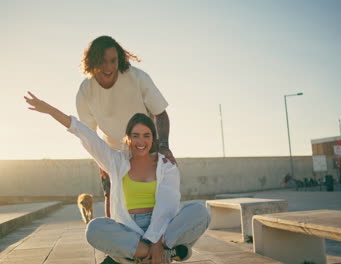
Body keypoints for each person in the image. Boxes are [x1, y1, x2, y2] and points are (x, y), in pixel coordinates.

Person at [24, 92, 210, 264]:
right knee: (94, 229)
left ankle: (139, 255)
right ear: (128, 138)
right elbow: (83, 132)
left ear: (153, 138)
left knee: (200, 212)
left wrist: (155, 240)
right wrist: (50, 110)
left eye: (146, 136)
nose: (141, 141)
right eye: (135, 136)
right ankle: (159, 255)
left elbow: (167, 204)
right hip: (129, 229)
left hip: (161, 227)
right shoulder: (116, 161)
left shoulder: (166, 165)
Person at [77, 35, 175, 218]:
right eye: (102, 62)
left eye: (113, 61)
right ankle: (115, 242)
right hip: (112, 149)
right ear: (92, 62)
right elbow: (88, 134)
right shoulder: (85, 91)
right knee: (112, 195)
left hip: (144, 145)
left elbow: (160, 114)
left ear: (119, 60)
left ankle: (159, 242)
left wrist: (164, 147)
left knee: (153, 193)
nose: (108, 68)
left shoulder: (137, 77)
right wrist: (101, 161)